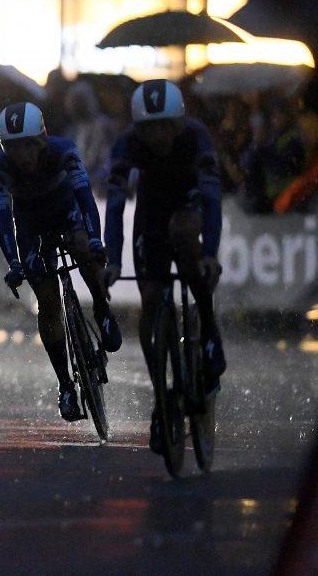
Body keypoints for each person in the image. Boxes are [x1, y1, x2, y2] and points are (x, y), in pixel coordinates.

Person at [101, 79, 225, 454]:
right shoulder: (127, 144)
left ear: (180, 123)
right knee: (151, 299)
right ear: (138, 129)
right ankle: (161, 400)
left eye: (165, 126)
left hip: (189, 204)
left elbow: (212, 198)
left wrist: (210, 255)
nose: (158, 136)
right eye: (149, 128)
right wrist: (112, 257)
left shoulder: (197, 137)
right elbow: (117, 204)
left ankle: (209, 331)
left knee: (186, 235)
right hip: (152, 212)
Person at [0, 101, 122, 421]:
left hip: (67, 214)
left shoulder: (63, 150)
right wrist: (14, 263)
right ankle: (65, 385)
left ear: (43, 139)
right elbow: (3, 219)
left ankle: (102, 306)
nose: (23, 157)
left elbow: (86, 199)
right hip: (31, 226)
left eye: (29, 147)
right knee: (48, 302)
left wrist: (94, 241)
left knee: (84, 249)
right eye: (14, 149)